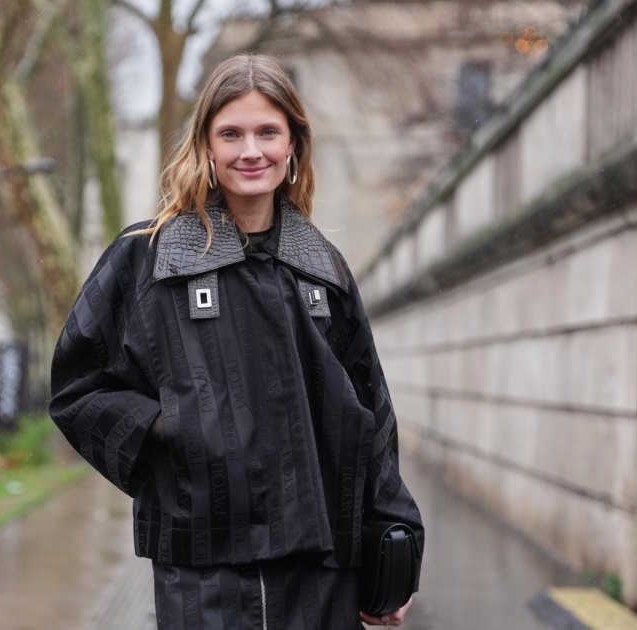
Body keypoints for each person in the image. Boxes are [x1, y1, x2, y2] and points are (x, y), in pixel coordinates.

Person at [50, 53, 423, 629]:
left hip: (318, 563)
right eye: (232, 133)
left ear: (294, 143)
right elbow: (77, 389)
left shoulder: (322, 268)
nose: (251, 151)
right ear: (205, 145)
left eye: (268, 132)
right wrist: (172, 430)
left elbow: (371, 416)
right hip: (203, 566)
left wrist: (392, 549)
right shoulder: (147, 257)